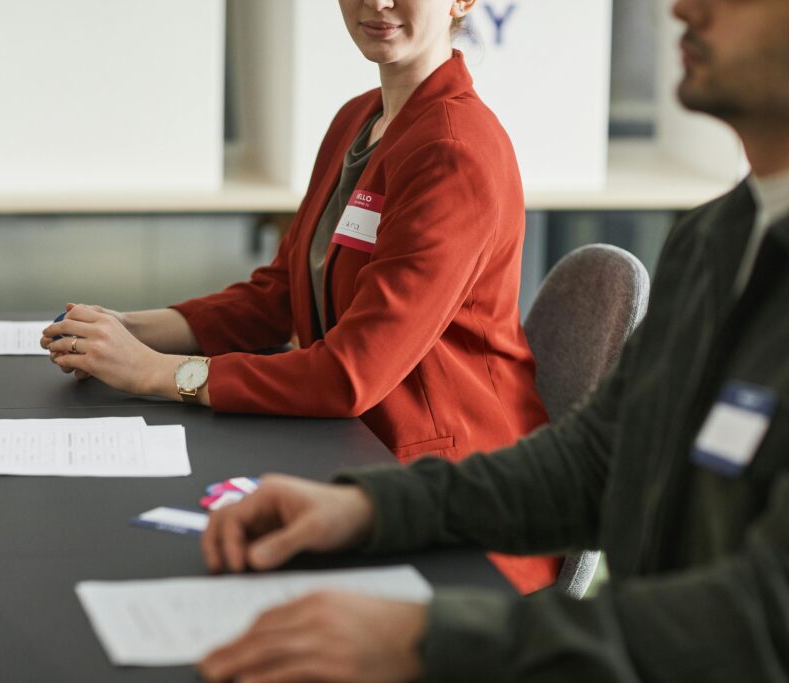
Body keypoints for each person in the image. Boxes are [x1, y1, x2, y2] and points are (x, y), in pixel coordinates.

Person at [195, 0, 789, 680]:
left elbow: (762, 617)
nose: (684, 8)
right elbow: (594, 463)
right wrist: (367, 506)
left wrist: (425, 637)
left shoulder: (455, 143)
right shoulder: (715, 237)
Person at [43, 0, 559, 593]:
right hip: (349, 455)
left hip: (452, 504)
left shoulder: (454, 152)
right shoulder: (358, 120)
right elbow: (278, 295)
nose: (378, 2)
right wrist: (126, 330)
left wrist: (160, 374)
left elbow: (349, 373)